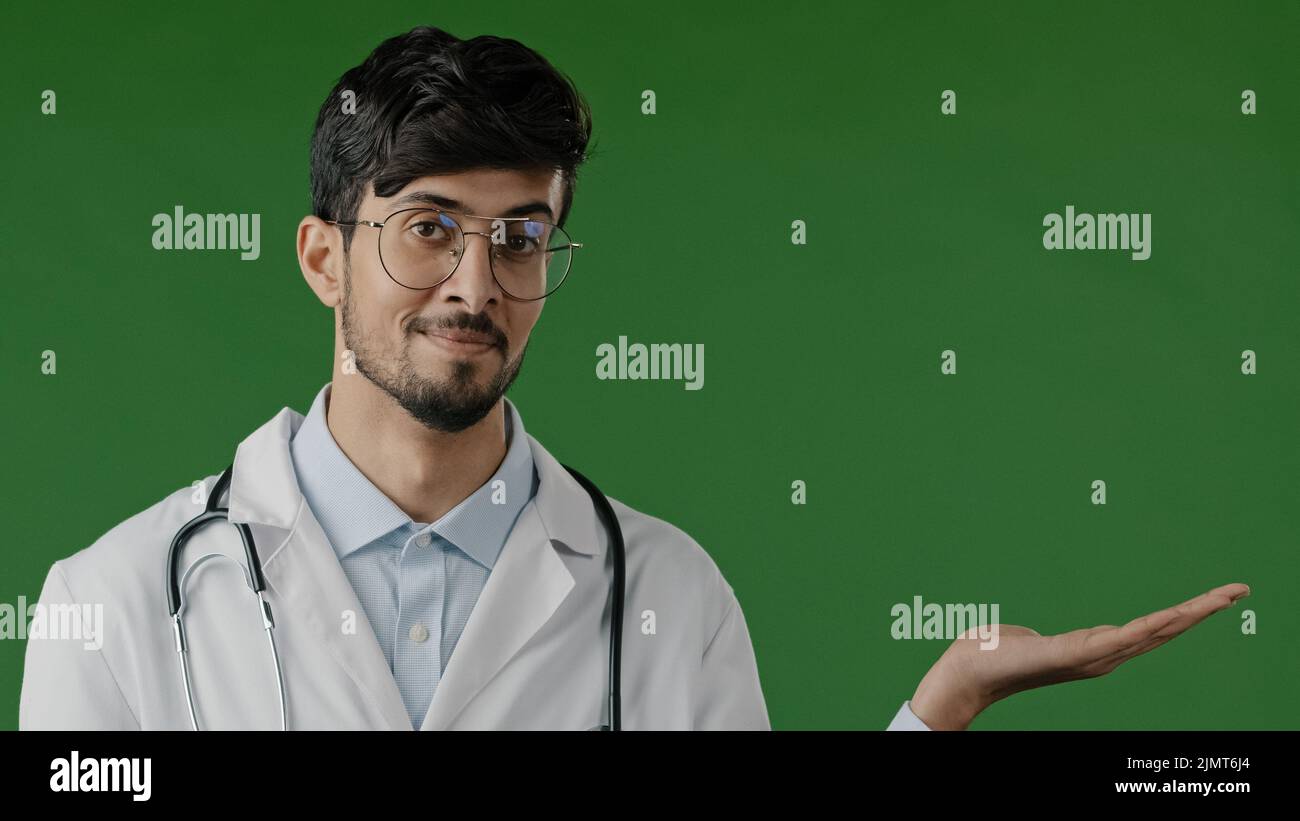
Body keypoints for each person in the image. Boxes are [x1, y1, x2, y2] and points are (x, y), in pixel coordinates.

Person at [19, 26, 1248, 731]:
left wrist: (939, 705)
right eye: (429, 226)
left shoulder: (664, 590)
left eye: (520, 236)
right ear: (323, 255)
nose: (474, 284)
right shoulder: (121, 601)